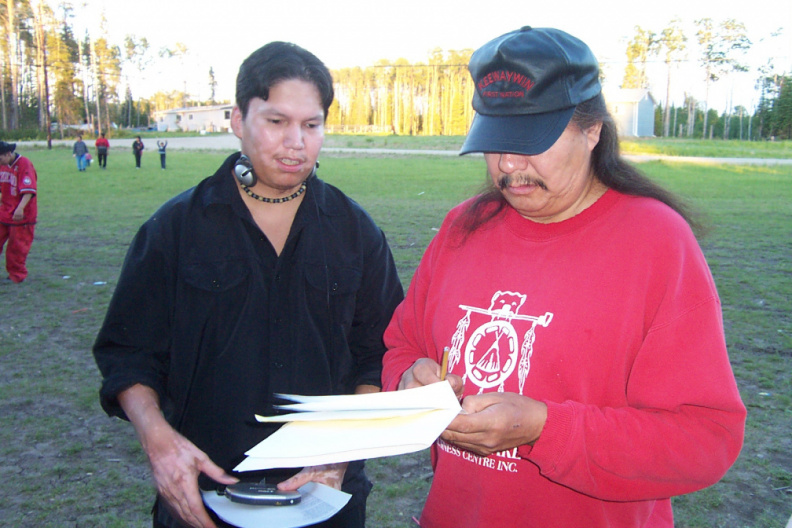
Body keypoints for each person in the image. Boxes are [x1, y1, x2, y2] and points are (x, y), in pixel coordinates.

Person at [381, 26, 746, 528]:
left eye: (530, 140)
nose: (508, 165)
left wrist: (543, 429)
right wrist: (406, 378)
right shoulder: (462, 228)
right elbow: (402, 344)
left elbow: (704, 439)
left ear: (593, 129)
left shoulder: (656, 243)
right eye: (494, 142)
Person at [93, 41, 403, 528]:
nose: (296, 142)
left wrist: (341, 453)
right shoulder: (174, 229)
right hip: (202, 495)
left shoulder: (355, 231)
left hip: (327, 494)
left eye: (311, 124)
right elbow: (128, 353)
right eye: (276, 121)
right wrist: (158, 441)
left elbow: (381, 353)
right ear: (238, 120)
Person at [0, 141, 38, 283]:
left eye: (0, 159)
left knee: (16, 247)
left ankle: (17, 275)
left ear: (8, 154)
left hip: (21, 216)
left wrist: (20, 208)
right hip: (4, 211)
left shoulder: (24, 164)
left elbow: (29, 190)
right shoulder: (2, 166)